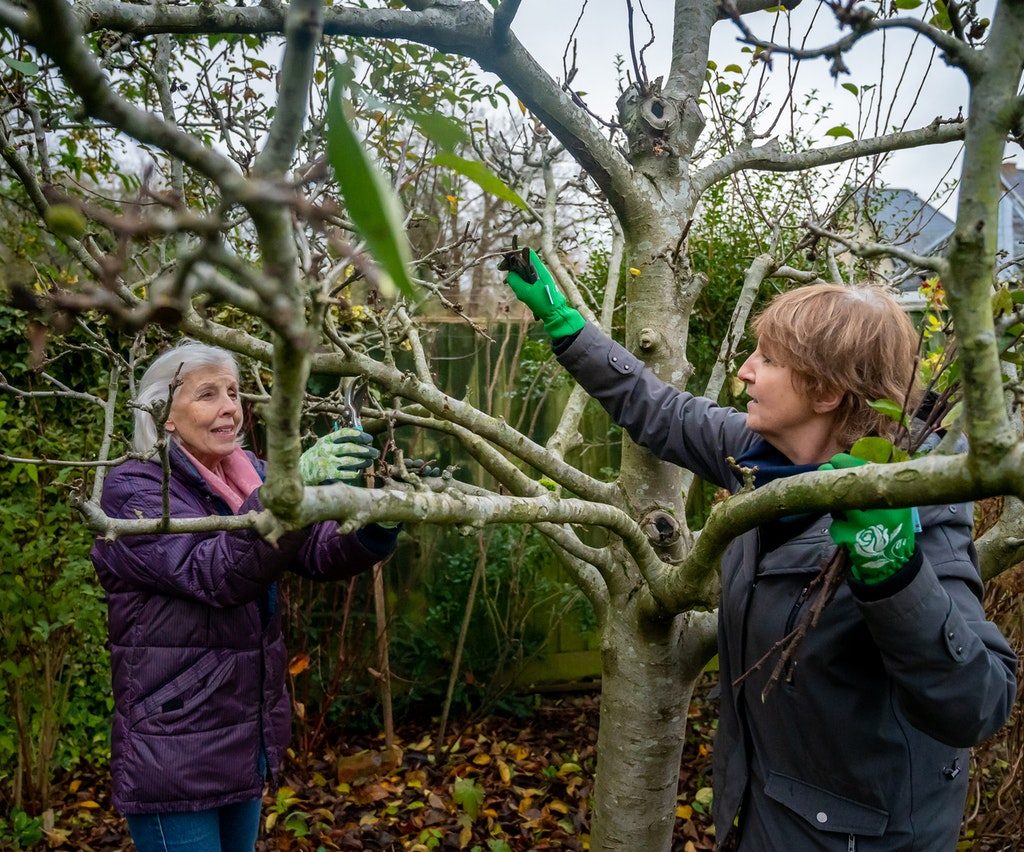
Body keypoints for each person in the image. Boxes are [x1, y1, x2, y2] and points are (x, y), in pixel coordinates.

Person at [501, 249, 1017, 851]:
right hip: (762, 819)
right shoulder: (762, 457)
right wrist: (569, 330)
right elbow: (660, 411)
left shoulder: (917, 506)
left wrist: (894, 572)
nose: (745, 371)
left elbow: (978, 705)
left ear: (824, 391)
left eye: (767, 359)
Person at [91, 341, 400, 852]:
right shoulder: (136, 490)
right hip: (174, 742)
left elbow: (316, 553)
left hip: (242, 732)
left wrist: (381, 520)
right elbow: (215, 573)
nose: (230, 406)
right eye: (207, 394)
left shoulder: (248, 473)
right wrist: (289, 482)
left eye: (233, 392)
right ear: (163, 414)